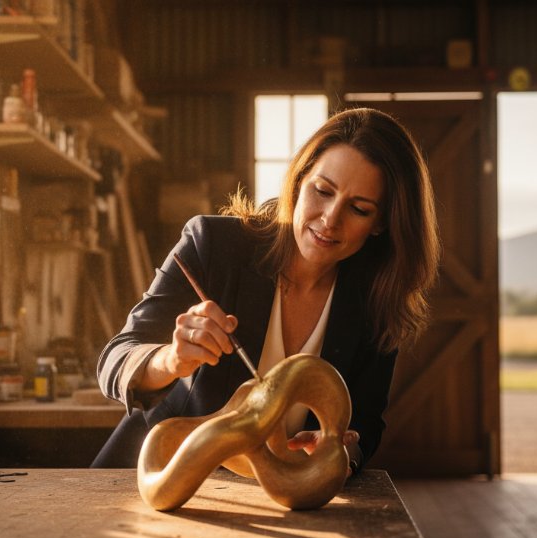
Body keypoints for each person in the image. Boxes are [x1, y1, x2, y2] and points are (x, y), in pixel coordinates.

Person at [92, 107, 439, 473]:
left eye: (358, 209)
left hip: (276, 503)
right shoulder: (212, 245)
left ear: (381, 224)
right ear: (298, 180)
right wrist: (171, 360)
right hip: (150, 480)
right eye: (322, 191)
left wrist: (339, 452)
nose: (329, 218)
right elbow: (115, 360)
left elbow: (366, 426)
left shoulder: (376, 300)